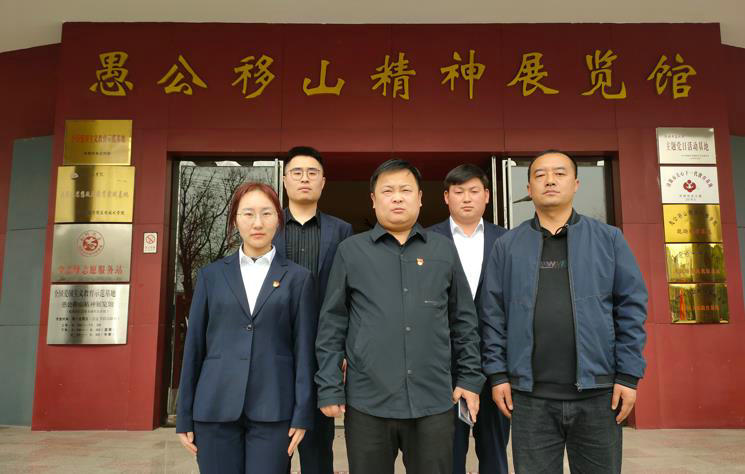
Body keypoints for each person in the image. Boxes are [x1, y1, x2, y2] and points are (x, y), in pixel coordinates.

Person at [480, 150, 648, 474]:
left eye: (559, 173)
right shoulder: (508, 246)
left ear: (576, 184)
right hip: (530, 397)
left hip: (598, 393)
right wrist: (498, 375)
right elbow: (493, 315)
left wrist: (628, 376)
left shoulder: (609, 239)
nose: (550, 180)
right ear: (528, 189)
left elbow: (631, 308)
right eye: (540, 175)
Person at [315, 159, 484, 474]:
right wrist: (329, 386)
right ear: (373, 199)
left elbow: (464, 321)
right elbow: (332, 326)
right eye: (388, 191)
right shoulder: (350, 251)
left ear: (419, 198)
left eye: (405, 190)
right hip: (368, 401)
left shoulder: (443, 250)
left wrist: (470, 378)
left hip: (433, 400)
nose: (397, 198)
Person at [176, 182, 318, 474]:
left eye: (266, 213)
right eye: (248, 213)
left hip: (274, 408)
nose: (257, 223)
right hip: (215, 406)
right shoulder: (211, 276)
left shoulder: (298, 278)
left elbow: (304, 351)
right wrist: (184, 414)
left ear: (278, 219)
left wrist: (302, 413)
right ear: (235, 220)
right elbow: (194, 348)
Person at [272, 146, 353, 474]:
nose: (304, 178)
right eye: (297, 172)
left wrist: (343, 348)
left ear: (323, 182)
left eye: (312, 173)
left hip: (323, 351)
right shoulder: (268, 227)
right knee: (273, 448)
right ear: (284, 180)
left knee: (318, 451)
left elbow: (347, 295)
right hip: (274, 350)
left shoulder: (341, 230)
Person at [428, 164, 509, 474]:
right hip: (444, 366)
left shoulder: (506, 241)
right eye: (458, 192)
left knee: (495, 451)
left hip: (495, 364)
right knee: (448, 453)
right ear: (446, 197)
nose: (466, 198)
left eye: (474, 191)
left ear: (486, 196)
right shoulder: (427, 240)